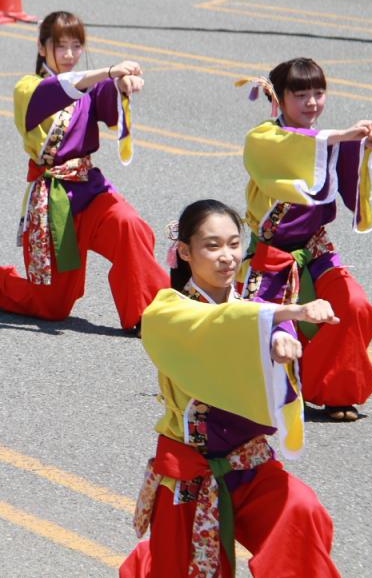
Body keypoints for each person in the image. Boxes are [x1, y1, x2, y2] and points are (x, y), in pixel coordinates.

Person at [120, 199, 340, 578]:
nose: (227, 257)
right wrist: (290, 314)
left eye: (235, 244)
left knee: (302, 513)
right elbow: (219, 327)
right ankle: (147, 564)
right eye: (213, 246)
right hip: (191, 469)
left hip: (249, 464)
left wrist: (280, 339)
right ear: (185, 252)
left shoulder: (257, 313)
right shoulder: (166, 311)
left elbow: (257, 327)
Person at [0, 10, 168, 333]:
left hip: (90, 189)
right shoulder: (28, 88)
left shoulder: (89, 86)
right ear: (42, 48)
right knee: (52, 305)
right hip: (53, 200)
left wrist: (121, 85)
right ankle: (1, 279)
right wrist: (109, 71)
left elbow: (107, 100)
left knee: (130, 225)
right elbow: (60, 89)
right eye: (60, 46)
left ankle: (150, 313)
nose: (69, 55)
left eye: (76, 46)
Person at [237, 58, 372, 421]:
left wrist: (368, 144)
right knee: (267, 330)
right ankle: (281, 387)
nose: (312, 102)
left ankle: (334, 389)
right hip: (271, 257)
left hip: (316, 249)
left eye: (319, 93)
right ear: (278, 97)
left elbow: (332, 149)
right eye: (300, 94)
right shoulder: (264, 139)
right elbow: (302, 145)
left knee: (354, 306)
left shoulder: (325, 142)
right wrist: (344, 136)